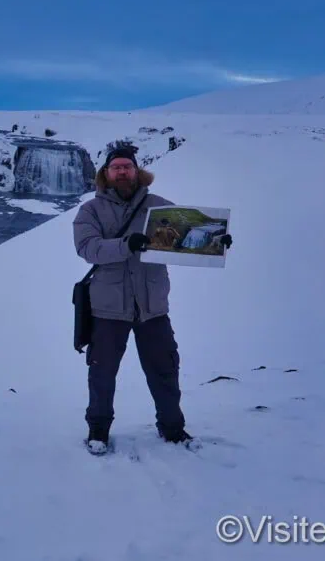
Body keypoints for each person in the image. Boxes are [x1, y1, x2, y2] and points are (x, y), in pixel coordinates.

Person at [71, 146, 232, 455]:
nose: (121, 172)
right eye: (115, 167)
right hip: (108, 308)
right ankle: (98, 431)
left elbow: (189, 236)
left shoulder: (159, 207)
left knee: (165, 370)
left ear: (137, 172)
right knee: (102, 373)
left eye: (127, 167)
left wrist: (217, 241)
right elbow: (88, 248)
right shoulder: (90, 211)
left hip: (152, 307)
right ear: (105, 174)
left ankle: (172, 428)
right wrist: (124, 245)